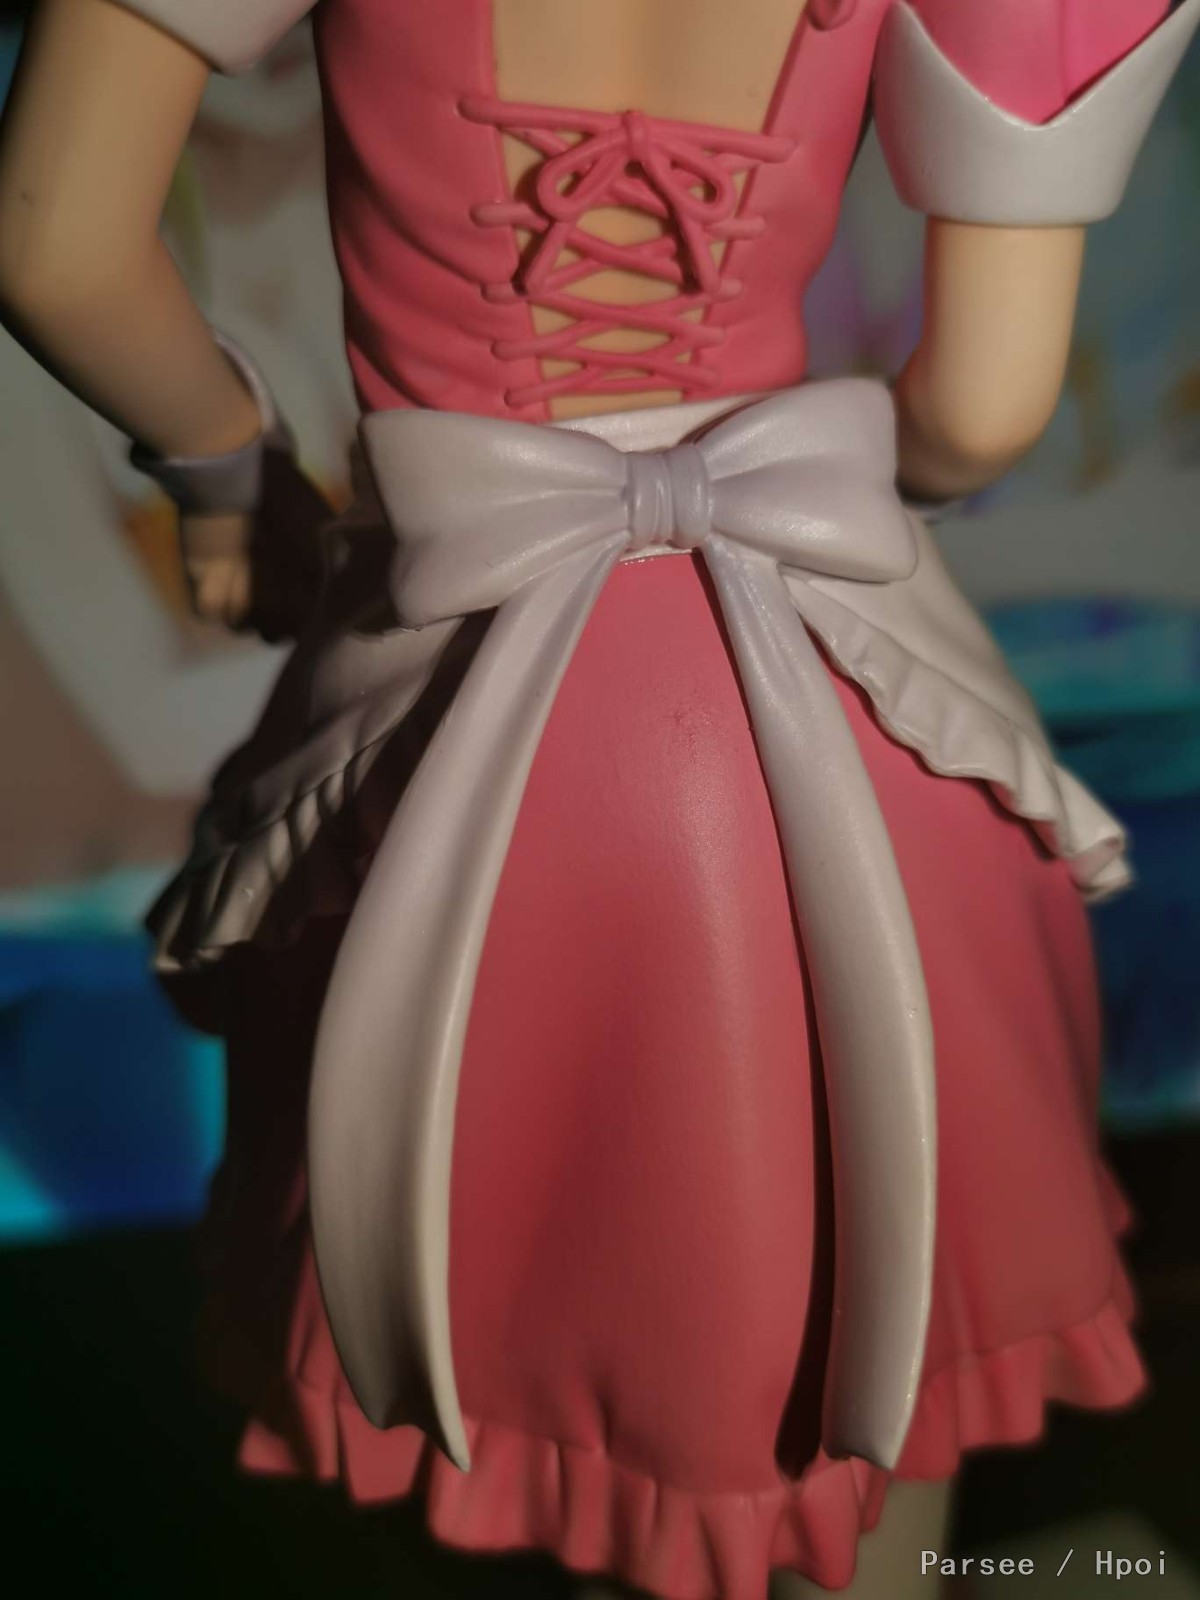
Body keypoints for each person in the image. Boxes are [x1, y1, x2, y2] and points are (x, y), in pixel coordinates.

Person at [2, 4, 1197, 1596]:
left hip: (459, 731)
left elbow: (58, 247)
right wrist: (836, 507)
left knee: (563, 1337)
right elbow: (985, 407)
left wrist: (227, 469)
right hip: (844, 722)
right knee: (874, 1338)